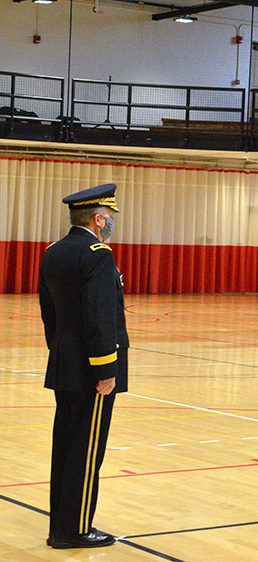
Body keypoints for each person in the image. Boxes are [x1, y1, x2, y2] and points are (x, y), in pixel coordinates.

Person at [38, 183, 128, 549]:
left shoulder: (54, 252)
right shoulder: (97, 254)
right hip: (92, 370)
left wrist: (61, 351)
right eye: (109, 218)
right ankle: (73, 530)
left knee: (66, 445)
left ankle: (61, 521)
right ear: (98, 218)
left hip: (65, 362)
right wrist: (106, 368)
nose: (110, 225)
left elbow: (49, 313)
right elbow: (99, 316)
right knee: (86, 450)